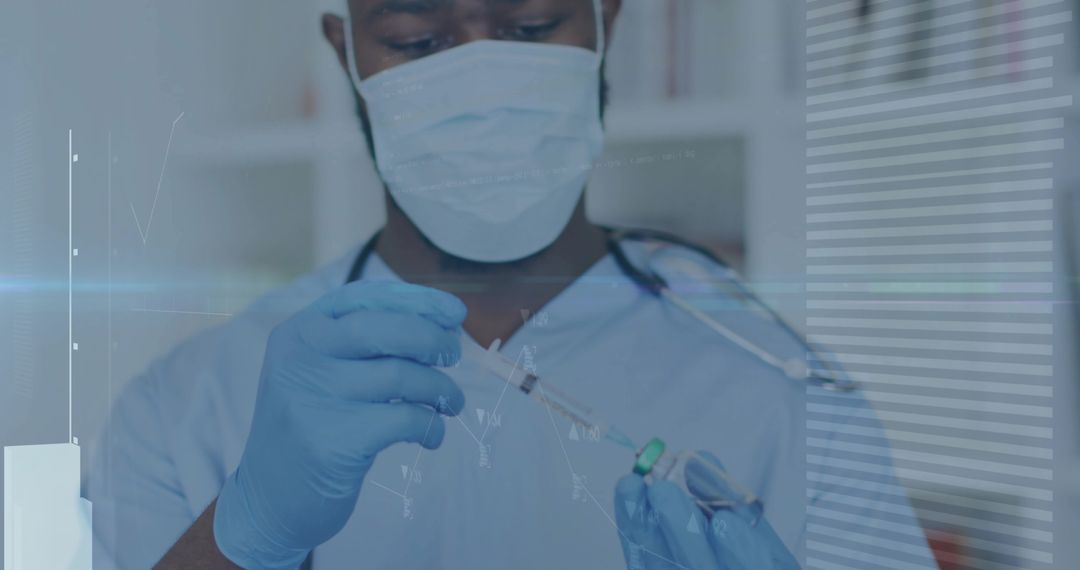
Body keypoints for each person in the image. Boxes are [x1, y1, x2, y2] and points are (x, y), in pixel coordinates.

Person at [86, 0, 939, 568]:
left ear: (607, 19)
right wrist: (245, 533)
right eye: (418, 41)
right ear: (346, 53)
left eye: (530, 25)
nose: (480, 82)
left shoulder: (788, 396)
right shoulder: (186, 405)